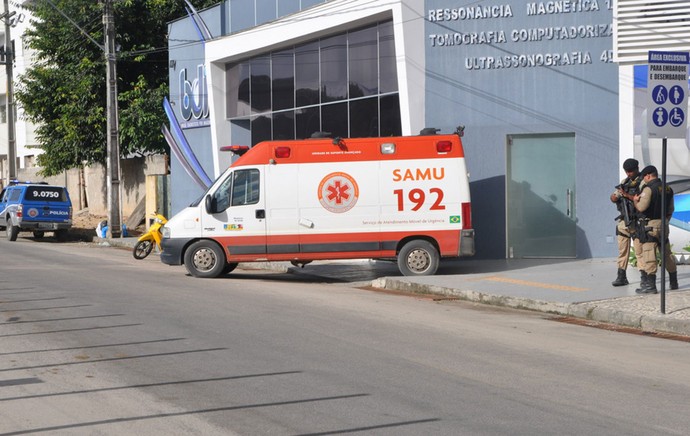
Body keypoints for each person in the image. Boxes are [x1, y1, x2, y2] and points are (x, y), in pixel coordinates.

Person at [633, 165, 678, 294]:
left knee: (649, 253)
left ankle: (651, 285)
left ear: (648, 175)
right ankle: (674, 281)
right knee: (666, 253)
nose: (644, 179)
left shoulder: (648, 189)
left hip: (650, 225)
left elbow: (641, 207)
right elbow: (670, 209)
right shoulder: (668, 188)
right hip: (664, 224)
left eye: (644, 177)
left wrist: (636, 201)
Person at [610, 158, 642, 286]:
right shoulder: (625, 182)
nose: (629, 174)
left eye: (631, 171)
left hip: (638, 221)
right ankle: (621, 276)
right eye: (627, 171)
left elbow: (640, 200)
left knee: (640, 252)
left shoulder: (643, 183)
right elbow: (614, 197)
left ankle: (645, 278)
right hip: (624, 221)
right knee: (622, 251)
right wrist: (615, 196)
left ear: (636, 169)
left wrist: (626, 195)